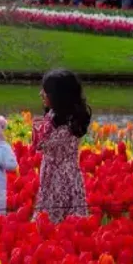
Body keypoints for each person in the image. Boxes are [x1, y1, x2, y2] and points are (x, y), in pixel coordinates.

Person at [32, 69, 90, 222]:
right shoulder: (53, 116)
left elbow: (41, 145)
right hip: (49, 177)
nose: (41, 94)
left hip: (61, 179)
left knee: (55, 224)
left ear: (58, 95)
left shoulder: (68, 126)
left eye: (45, 91)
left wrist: (38, 128)